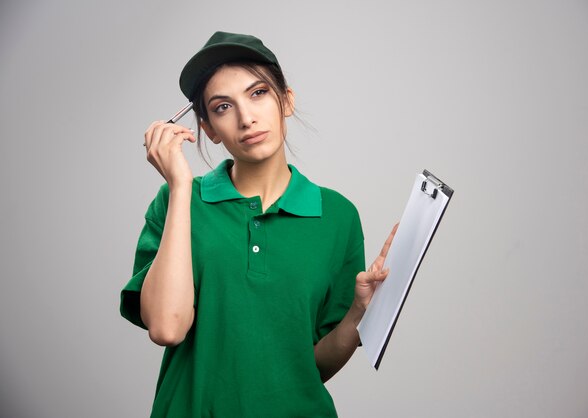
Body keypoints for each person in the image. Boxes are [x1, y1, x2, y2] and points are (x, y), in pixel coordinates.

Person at [120, 31, 396, 418]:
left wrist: (357, 313)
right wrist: (180, 187)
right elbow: (167, 328)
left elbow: (311, 366)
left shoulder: (338, 215)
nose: (246, 118)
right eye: (221, 107)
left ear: (286, 99)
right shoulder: (176, 202)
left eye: (258, 93)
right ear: (209, 129)